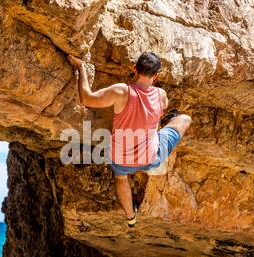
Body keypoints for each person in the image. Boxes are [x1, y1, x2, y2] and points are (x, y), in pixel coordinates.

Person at [67, 52, 192, 227]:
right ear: (156, 76)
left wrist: (81, 67)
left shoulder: (121, 91)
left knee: (120, 177)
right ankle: (169, 121)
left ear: (134, 68)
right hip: (151, 158)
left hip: (121, 160)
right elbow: (163, 107)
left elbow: (86, 99)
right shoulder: (161, 95)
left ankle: (131, 217)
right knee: (184, 119)